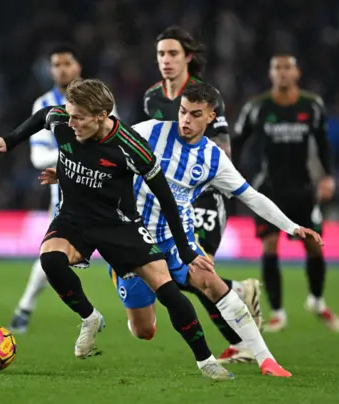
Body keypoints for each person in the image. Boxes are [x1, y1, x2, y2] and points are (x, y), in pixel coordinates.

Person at [42, 83, 321, 376]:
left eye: (195, 114)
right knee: (143, 330)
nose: (186, 120)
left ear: (211, 117)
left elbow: (250, 196)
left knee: (210, 283)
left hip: (176, 238)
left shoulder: (214, 159)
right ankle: (204, 295)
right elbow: (100, 144)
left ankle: (266, 359)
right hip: (129, 237)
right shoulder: (151, 132)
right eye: (183, 112)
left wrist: (291, 226)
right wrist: (63, 173)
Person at [0, 78, 234, 380]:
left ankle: (206, 360)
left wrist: (184, 248)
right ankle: (90, 318)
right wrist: (10, 140)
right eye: (69, 114)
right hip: (74, 218)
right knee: (50, 259)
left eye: (79, 117)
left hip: (120, 224)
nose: (71, 122)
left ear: (101, 116)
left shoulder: (131, 147)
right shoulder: (63, 120)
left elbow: (166, 198)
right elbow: (43, 117)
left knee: (168, 292)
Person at [143, 25, 263, 357]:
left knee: (196, 271)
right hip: (169, 201)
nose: (166, 61)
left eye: (173, 54)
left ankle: (243, 340)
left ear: (188, 58)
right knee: (187, 278)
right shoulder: (151, 98)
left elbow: (223, 147)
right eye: (161, 54)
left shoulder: (206, 95)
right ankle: (239, 304)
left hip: (205, 195)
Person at [9, 44, 117, 333]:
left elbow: (113, 144)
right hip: (65, 195)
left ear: (78, 67)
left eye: (67, 63)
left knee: (125, 254)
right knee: (51, 254)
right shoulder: (43, 104)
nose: (62, 69)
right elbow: (36, 157)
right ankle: (25, 308)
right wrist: (74, 157)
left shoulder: (100, 99)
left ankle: (142, 306)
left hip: (103, 191)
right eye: (56, 65)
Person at [234, 54, 339, 333]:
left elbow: (323, 143)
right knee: (270, 245)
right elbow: (237, 141)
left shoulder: (312, 106)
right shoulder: (256, 108)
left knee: (313, 246)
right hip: (268, 189)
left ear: (297, 73)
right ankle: (278, 313)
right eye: (277, 68)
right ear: (271, 74)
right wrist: (230, 175)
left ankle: (316, 300)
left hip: (303, 189)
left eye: (287, 67)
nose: (282, 73)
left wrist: (328, 175)